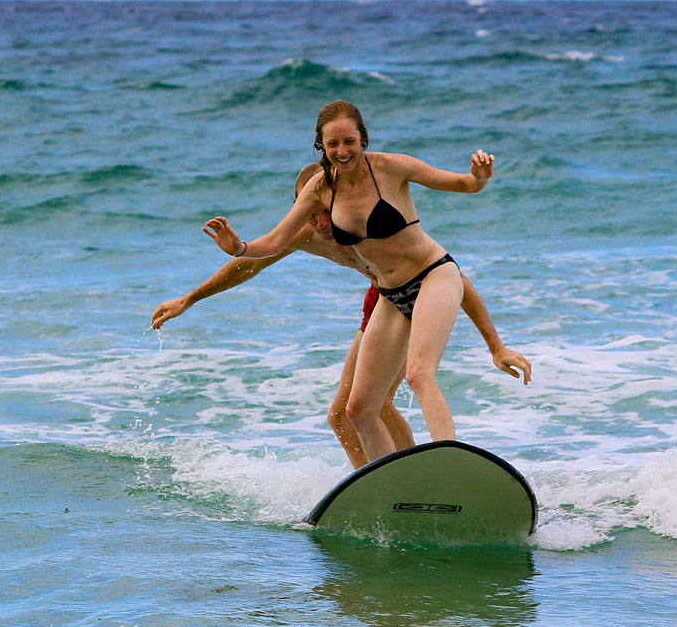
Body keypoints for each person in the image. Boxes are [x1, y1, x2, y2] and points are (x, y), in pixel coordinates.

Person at [203, 100, 526, 463]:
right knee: (358, 410)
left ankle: (449, 464)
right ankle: (394, 485)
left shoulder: (392, 167)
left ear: (363, 139)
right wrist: (240, 246)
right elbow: (275, 242)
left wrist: (480, 176)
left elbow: (465, 185)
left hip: (433, 274)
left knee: (420, 375)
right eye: (333, 145)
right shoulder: (318, 189)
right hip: (390, 295)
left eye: (349, 142)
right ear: (321, 147)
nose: (342, 151)